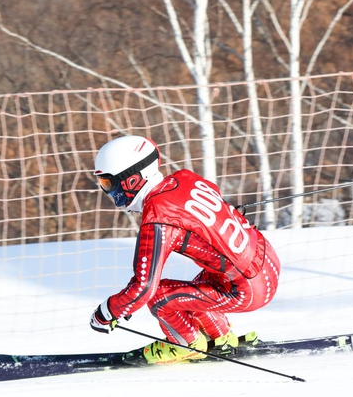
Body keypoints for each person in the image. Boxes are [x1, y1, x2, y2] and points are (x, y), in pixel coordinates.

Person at [89, 135, 281, 364]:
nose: (107, 191)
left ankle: (187, 345)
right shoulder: (184, 178)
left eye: (107, 184)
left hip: (248, 288)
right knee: (188, 293)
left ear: (131, 181)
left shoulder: (158, 217)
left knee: (160, 297)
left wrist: (108, 312)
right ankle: (221, 338)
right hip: (264, 259)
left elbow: (144, 287)